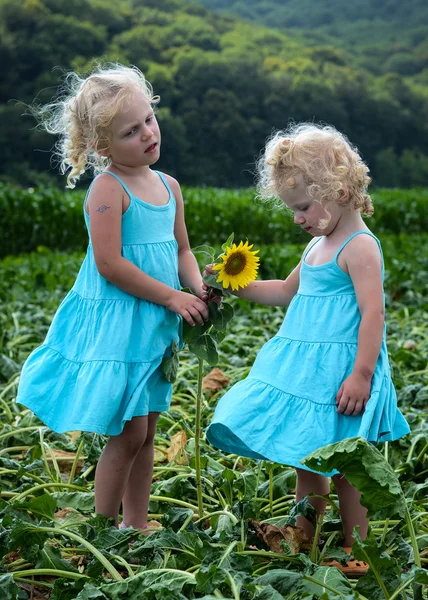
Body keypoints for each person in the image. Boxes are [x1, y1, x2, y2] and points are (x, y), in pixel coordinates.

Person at [205, 123, 410, 576]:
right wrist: (233, 284)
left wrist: (361, 374)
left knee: (349, 470)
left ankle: (359, 550)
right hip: (306, 371)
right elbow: (283, 290)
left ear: (336, 191)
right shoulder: (319, 244)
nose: (297, 218)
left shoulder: (360, 248)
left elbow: (373, 315)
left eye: (301, 207)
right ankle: (304, 537)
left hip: (343, 372)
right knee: (306, 458)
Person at [17, 64, 209, 531]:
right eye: (129, 132)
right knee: (128, 433)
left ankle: (135, 523)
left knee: (148, 432)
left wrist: (199, 288)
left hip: (154, 327)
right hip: (121, 325)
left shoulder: (169, 187)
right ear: (102, 147)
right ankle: (104, 527)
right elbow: (110, 264)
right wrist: (171, 297)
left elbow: (182, 248)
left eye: (148, 119)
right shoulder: (108, 189)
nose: (147, 134)